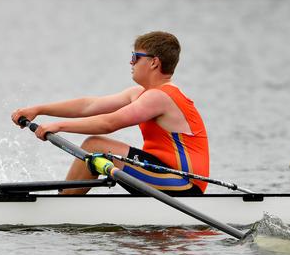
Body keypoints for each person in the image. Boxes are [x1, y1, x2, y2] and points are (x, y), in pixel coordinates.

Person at [11, 31, 209, 195]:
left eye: (135, 57)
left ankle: (63, 205)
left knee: (96, 145)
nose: (131, 63)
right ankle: (66, 201)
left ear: (153, 63)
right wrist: (39, 109)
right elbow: (88, 106)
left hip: (184, 183)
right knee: (93, 145)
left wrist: (59, 126)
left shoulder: (161, 97)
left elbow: (109, 124)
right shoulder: (141, 94)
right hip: (162, 172)